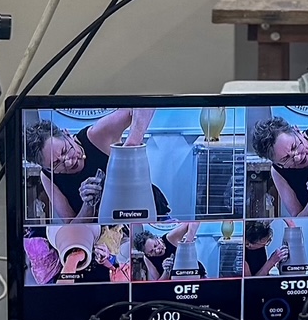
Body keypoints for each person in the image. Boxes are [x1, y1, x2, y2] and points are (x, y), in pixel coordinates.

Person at [25, 108, 170, 222]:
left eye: (64, 150)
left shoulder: (96, 135)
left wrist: (131, 145)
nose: (68, 162)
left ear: (67, 134)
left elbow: (144, 105)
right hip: (108, 234)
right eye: (56, 164)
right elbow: (71, 226)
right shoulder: (48, 177)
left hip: (148, 214)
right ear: (47, 168)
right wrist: (87, 206)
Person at [132, 221, 201, 281]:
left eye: (156, 245)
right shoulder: (147, 258)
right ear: (148, 254)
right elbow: (159, 283)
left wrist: (187, 243)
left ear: (157, 238)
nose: (157, 250)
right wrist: (166, 271)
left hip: (194, 274)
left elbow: (194, 221)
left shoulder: (170, 238)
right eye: (151, 252)